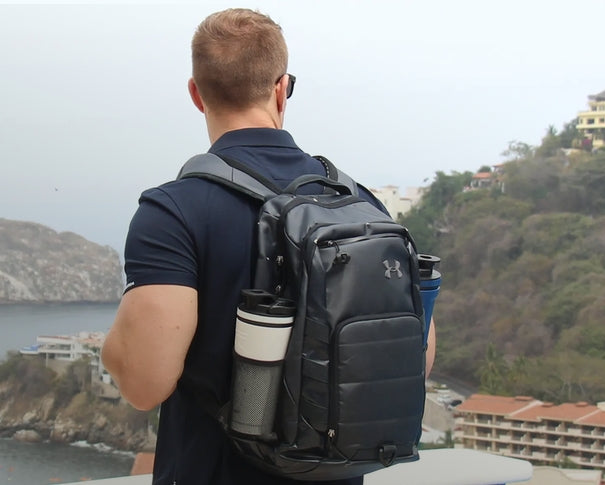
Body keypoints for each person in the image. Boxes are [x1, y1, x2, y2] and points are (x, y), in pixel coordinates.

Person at [101, 8, 436, 485]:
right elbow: (415, 357)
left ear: (196, 94)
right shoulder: (359, 204)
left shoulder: (173, 211)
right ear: (282, 88)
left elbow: (144, 383)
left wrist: (113, 349)